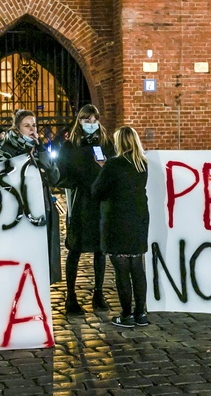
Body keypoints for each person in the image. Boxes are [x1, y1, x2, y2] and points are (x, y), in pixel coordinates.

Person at [0, 109, 62, 284]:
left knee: (42, 262)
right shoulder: (4, 148)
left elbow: (55, 177)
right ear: (17, 128)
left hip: (41, 209)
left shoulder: (38, 149)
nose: (32, 129)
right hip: (18, 213)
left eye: (34, 125)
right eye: (27, 126)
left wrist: (42, 152)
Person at [57, 104, 115, 314]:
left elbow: (113, 168)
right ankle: (70, 296)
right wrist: (77, 181)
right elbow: (61, 174)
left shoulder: (106, 144)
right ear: (79, 121)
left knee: (101, 250)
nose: (90, 124)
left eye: (93, 120)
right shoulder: (69, 146)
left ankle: (98, 293)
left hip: (100, 202)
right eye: (86, 120)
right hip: (81, 202)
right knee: (75, 248)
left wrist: (105, 169)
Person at [92, 127, 150, 328]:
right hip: (139, 219)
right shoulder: (142, 164)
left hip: (117, 221)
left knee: (122, 270)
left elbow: (97, 191)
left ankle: (126, 314)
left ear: (120, 143)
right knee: (137, 267)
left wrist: (102, 168)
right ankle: (140, 313)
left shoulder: (113, 165)